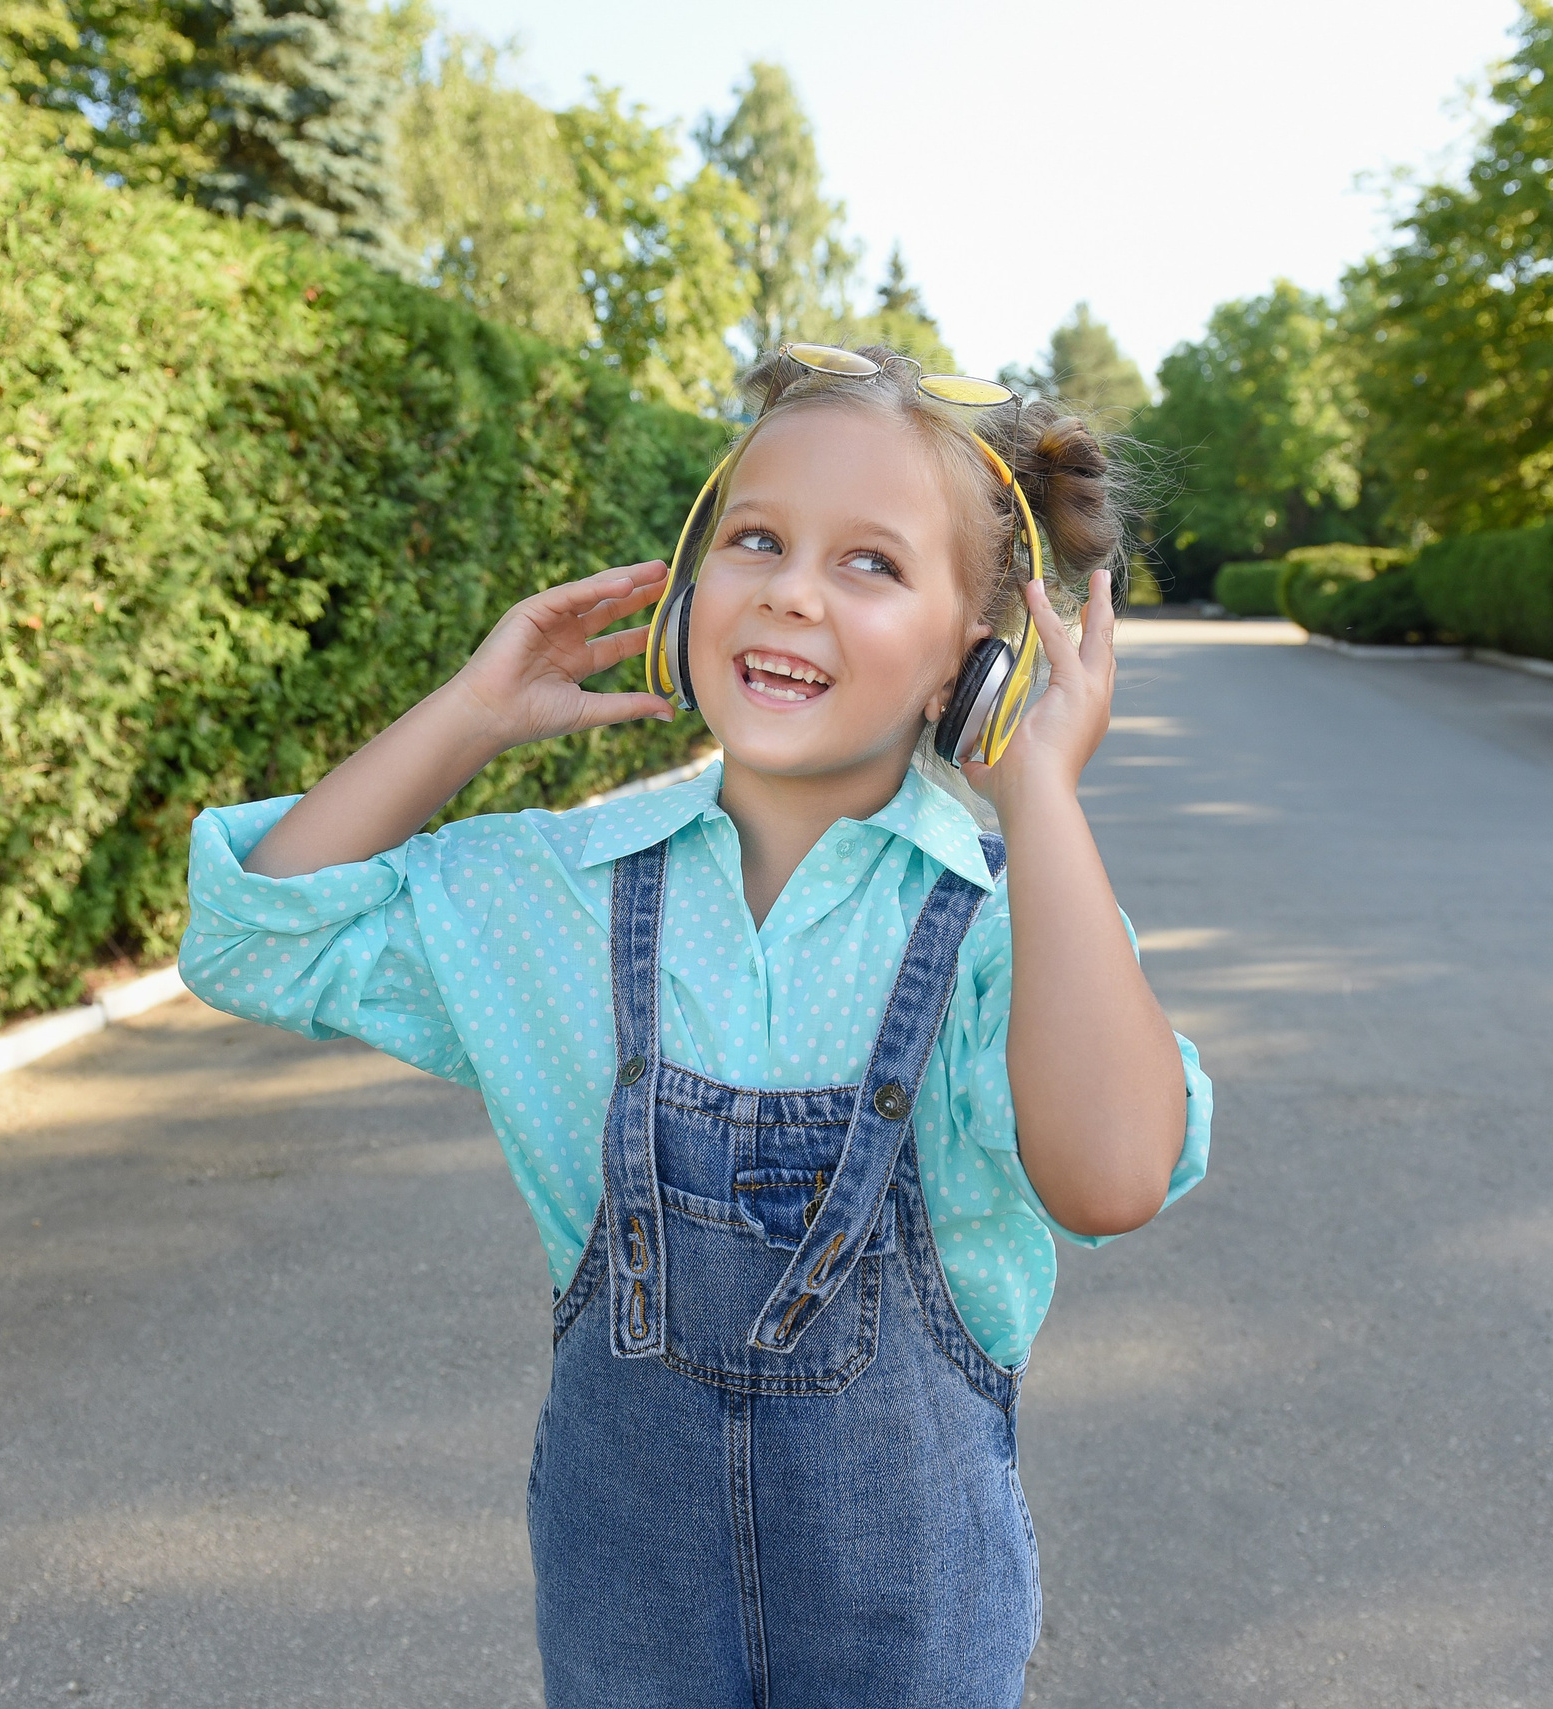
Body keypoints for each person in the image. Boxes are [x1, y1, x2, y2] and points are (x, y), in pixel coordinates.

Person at [180, 343, 1212, 1708]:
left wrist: (1042, 797)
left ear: (972, 661)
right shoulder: (560, 886)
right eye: (758, 539)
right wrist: (472, 715)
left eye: (870, 564)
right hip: (629, 1631)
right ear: (686, 581)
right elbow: (258, 938)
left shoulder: (1006, 937)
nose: (791, 589)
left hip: (918, 1642)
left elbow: (1115, 1173)